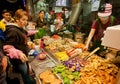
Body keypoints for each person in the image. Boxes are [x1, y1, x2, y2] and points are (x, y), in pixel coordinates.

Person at [3, 9, 35, 84]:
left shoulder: (20, 28)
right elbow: (7, 47)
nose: (25, 22)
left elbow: (25, 33)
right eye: (23, 19)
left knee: (26, 72)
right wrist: (19, 54)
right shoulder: (13, 30)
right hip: (18, 59)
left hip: (23, 56)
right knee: (25, 74)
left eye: (26, 20)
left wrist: (35, 32)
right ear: (17, 19)